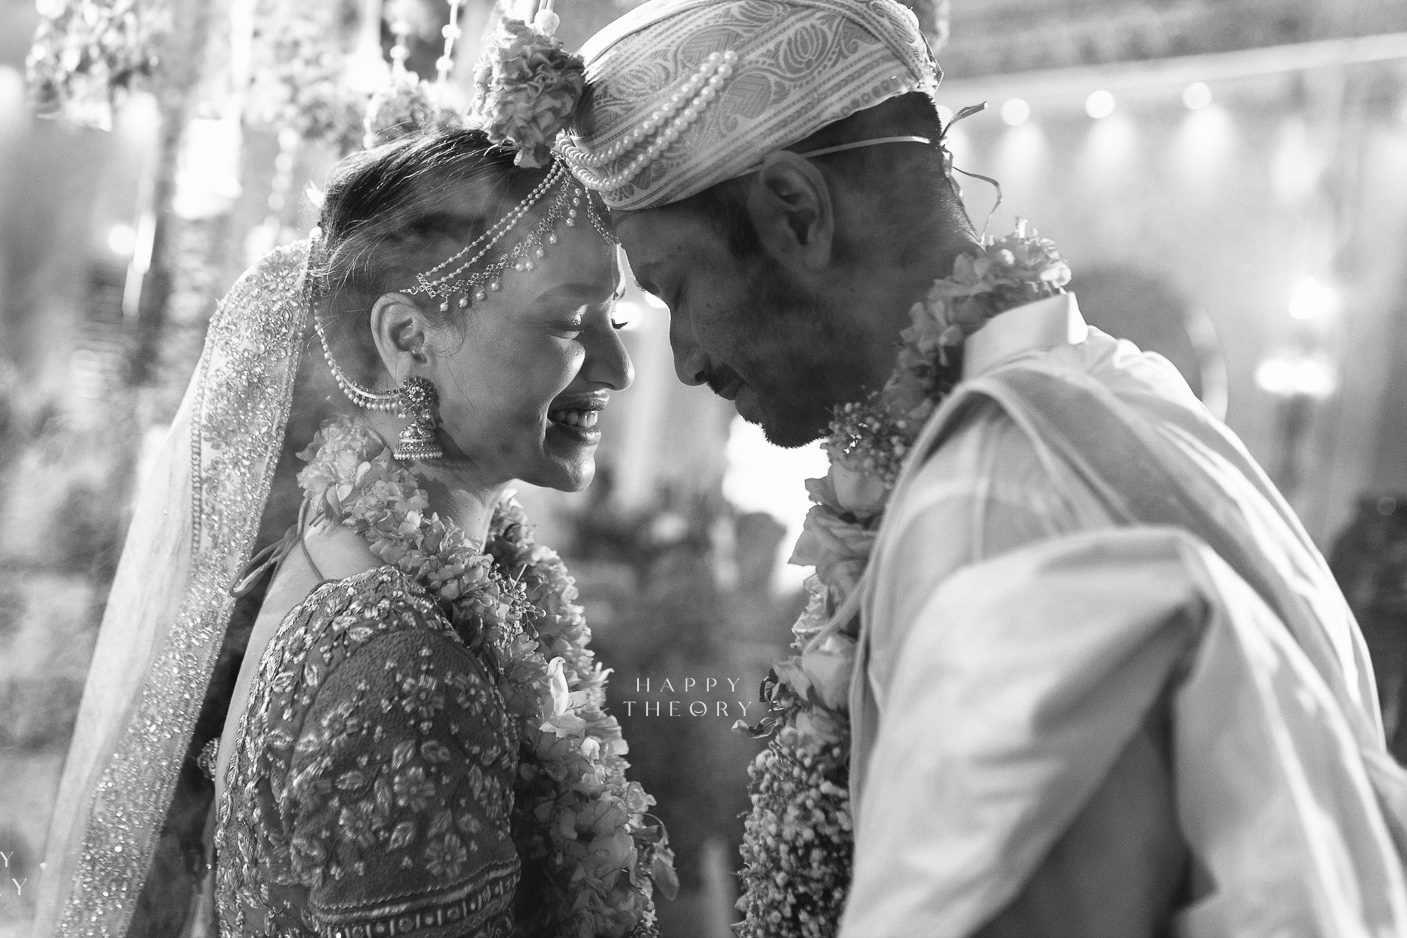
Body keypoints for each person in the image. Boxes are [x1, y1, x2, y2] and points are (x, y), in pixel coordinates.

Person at [561, 0, 1407, 935]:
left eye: (677, 289)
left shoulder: (995, 500)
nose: (683, 358)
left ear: (796, 213)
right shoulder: (1128, 392)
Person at [32, 37, 675, 937]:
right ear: (409, 339)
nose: (617, 368)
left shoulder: (343, 548)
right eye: (571, 322)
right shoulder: (404, 665)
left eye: (616, 320)